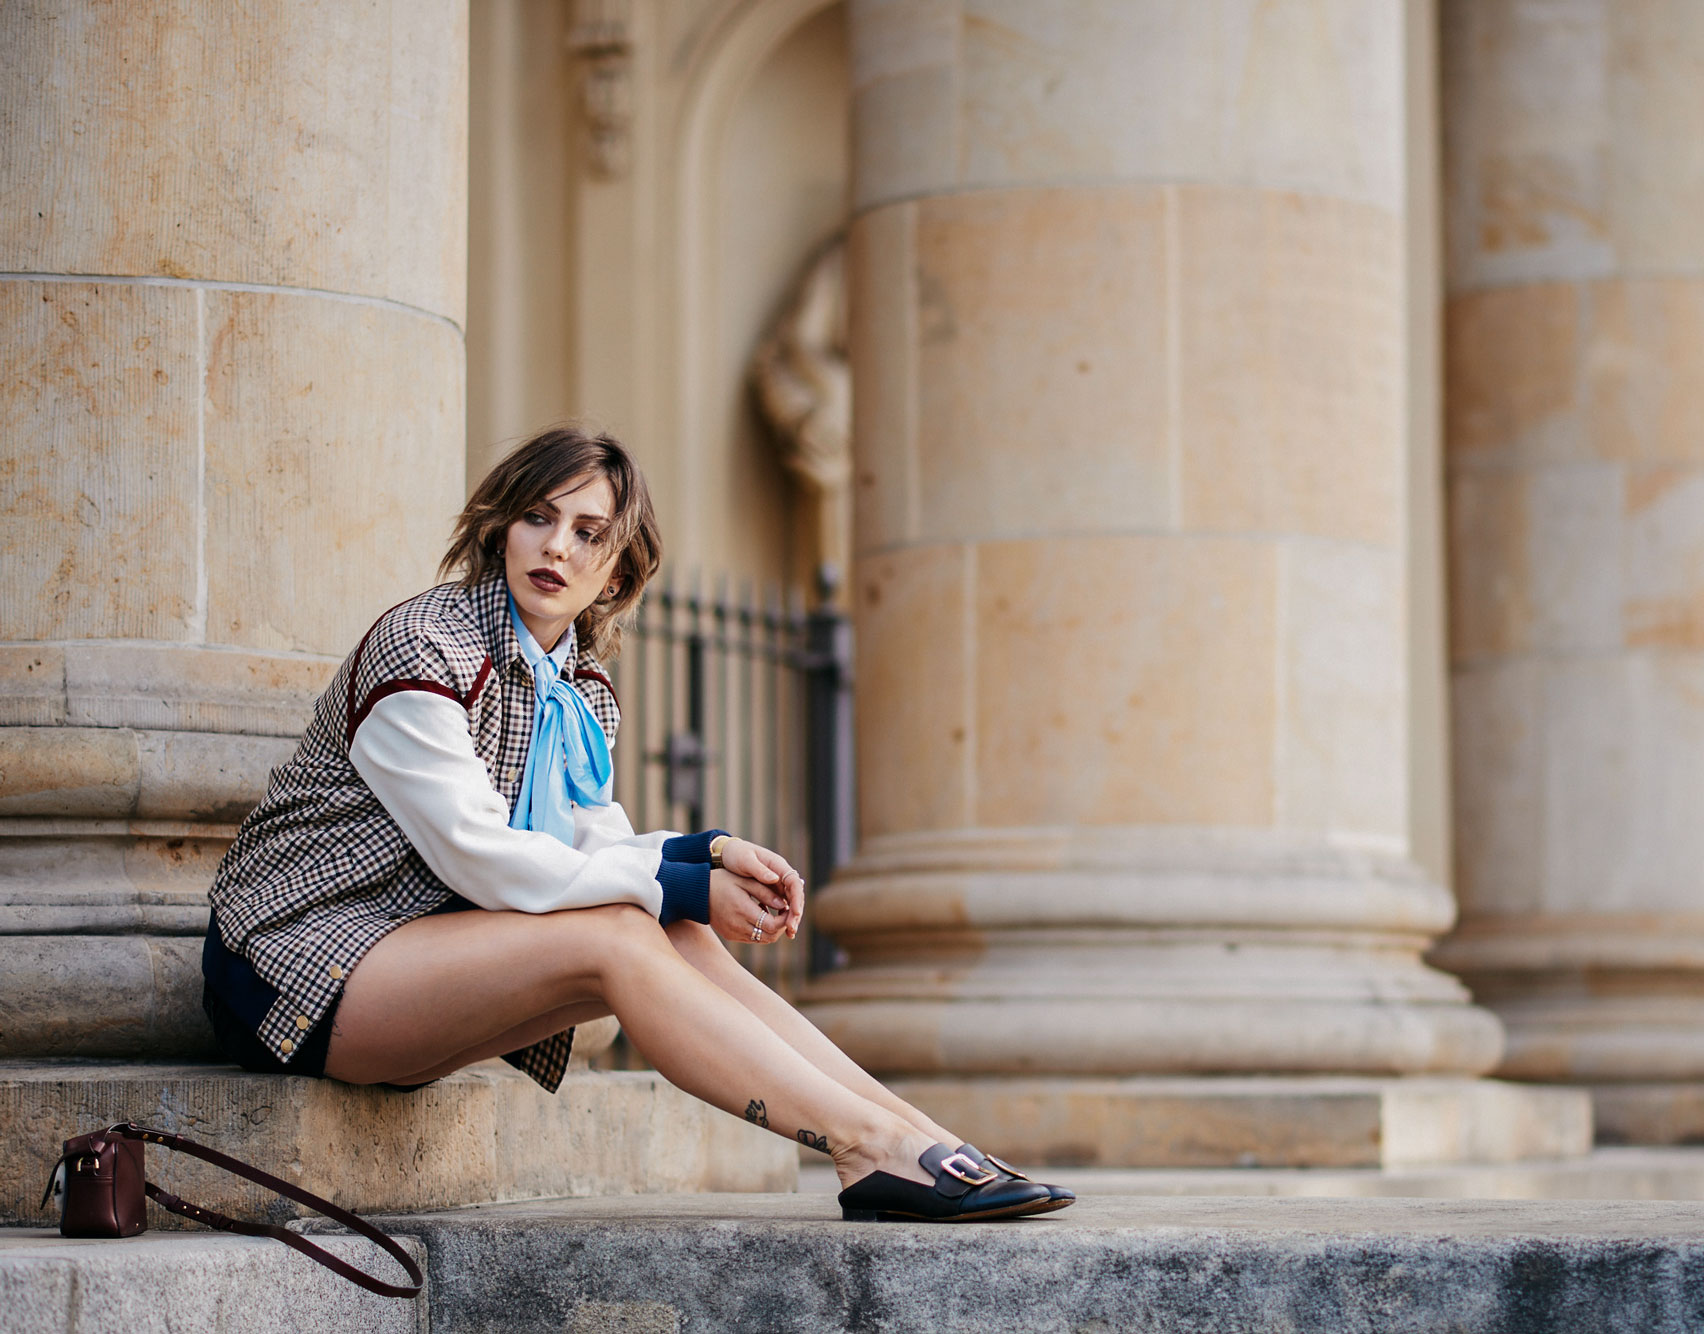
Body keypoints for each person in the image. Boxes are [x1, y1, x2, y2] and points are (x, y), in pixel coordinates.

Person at [203, 425, 1072, 1223]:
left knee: (676, 926)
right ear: (499, 529)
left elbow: (592, 844)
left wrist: (710, 857)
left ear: (616, 573)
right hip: (294, 970)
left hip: (419, 960)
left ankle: (916, 1137)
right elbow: (483, 860)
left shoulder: (578, 691)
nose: (556, 546)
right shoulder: (424, 647)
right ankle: (864, 1148)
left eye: (588, 532)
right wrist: (679, 879)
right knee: (619, 935)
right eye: (538, 518)